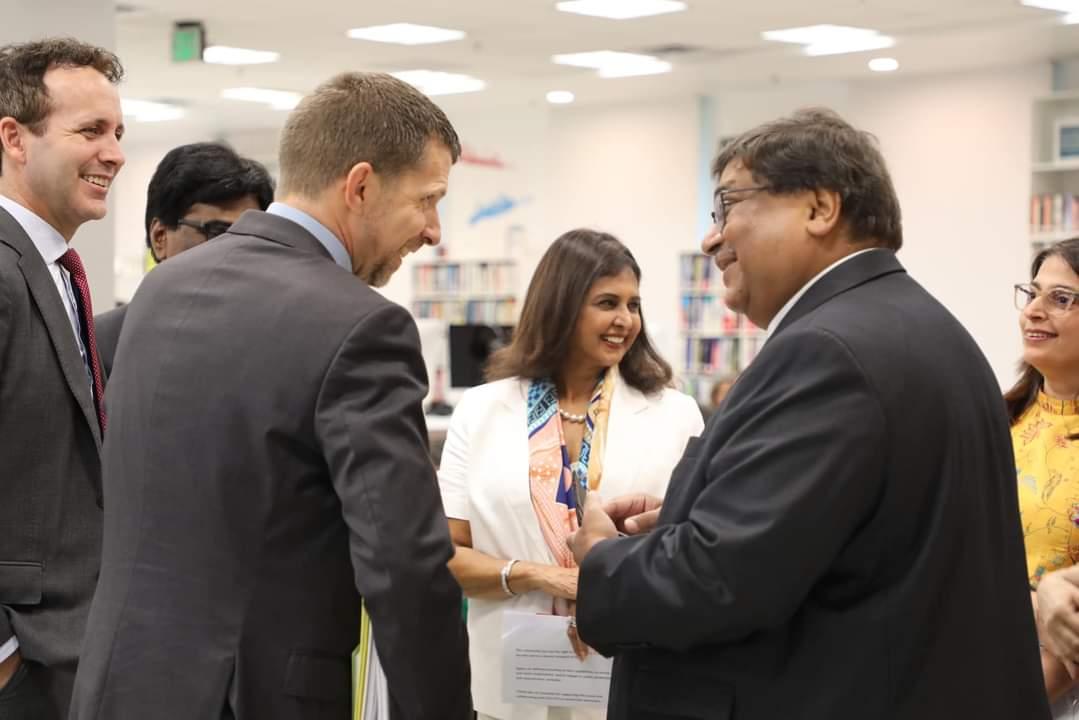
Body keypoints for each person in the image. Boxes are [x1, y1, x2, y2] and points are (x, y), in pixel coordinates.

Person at [567, 108, 1049, 719]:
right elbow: (853, 532)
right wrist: (700, 512)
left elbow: (720, 580)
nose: (712, 240)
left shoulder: (824, 352)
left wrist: (603, 559)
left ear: (820, 209)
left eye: (727, 207)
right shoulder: (923, 327)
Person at [70, 72, 471, 720]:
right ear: (360, 186)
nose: (432, 230)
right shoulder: (363, 326)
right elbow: (404, 565)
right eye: (427, 200)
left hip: (118, 687)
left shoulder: (162, 291)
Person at [438, 228, 703, 720]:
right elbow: (446, 554)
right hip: (509, 685)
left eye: (633, 304)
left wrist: (606, 585)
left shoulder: (676, 414)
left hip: (631, 673)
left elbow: (694, 549)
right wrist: (543, 577)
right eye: (607, 303)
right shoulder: (480, 411)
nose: (625, 320)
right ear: (560, 306)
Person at [0, 37, 125, 720]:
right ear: (14, 138)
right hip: (22, 660)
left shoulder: (54, 271)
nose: (114, 153)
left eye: (118, 133)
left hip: (69, 652)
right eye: (90, 131)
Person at [95, 141, 274, 375]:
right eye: (217, 233)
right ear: (160, 237)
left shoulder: (270, 344)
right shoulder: (98, 346)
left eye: (250, 236)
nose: (237, 250)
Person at [1003, 238, 1079, 715]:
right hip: (970, 659)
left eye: (1061, 298)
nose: (1033, 310)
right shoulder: (996, 421)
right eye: (1032, 293)